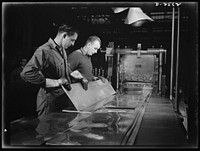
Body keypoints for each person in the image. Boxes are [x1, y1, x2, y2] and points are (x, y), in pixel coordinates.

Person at [20, 23, 83, 119]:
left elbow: (62, 71)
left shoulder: (62, 51)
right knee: (46, 133)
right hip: (49, 103)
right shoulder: (44, 51)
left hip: (60, 100)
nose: (73, 44)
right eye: (72, 40)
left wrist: (76, 76)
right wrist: (56, 82)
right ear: (64, 35)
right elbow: (27, 74)